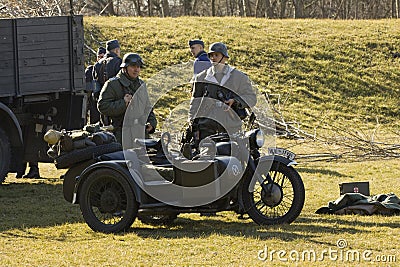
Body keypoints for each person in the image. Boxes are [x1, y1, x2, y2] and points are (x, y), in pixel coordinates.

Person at [188, 42, 257, 143]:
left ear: (224, 57)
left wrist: (235, 101)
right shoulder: (201, 78)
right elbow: (194, 103)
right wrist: (192, 124)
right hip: (206, 127)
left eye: (216, 55)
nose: (213, 58)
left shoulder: (239, 77)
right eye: (211, 55)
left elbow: (251, 98)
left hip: (231, 127)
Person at [97, 53, 157, 144]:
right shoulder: (112, 84)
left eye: (138, 66)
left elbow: (147, 106)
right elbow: (102, 106)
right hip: (120, 135)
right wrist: (123, 103)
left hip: (140, 135)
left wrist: (152, 123)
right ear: (124, 68)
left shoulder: (141, 85)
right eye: (133, 66)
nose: (136, 69)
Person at [85, 46, 106, 124]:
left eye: (102, 57)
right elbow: (87, 90)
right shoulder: (90, 70)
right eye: (99, 57)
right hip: (93, 102)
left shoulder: (109, 70)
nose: (100, 59)